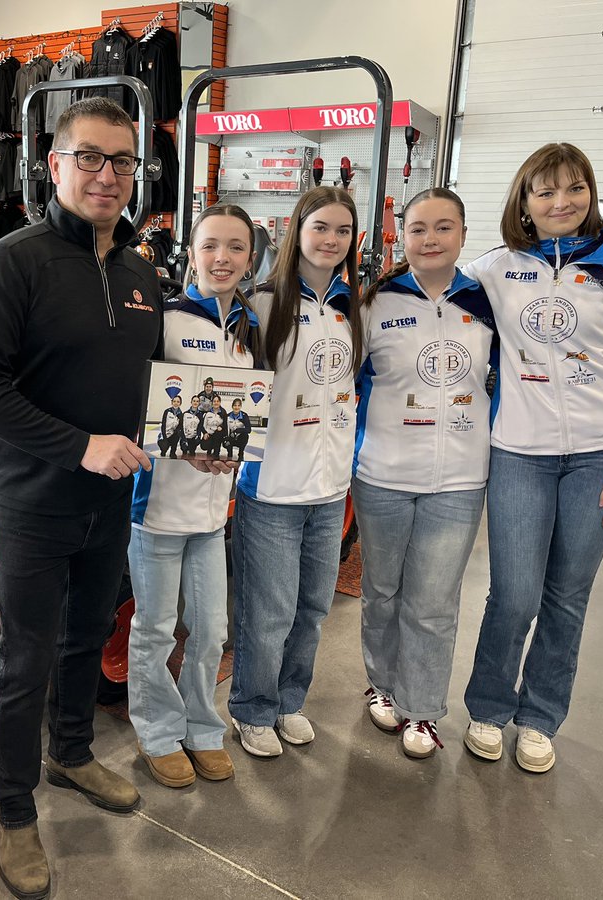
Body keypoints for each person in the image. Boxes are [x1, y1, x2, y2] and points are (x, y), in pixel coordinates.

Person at [0, 97, 162, 900]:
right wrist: (80, 446)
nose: (107, 176)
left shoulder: (141, 272)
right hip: (34, 498)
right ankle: (13, 811)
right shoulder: (15, 260)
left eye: (121, 162)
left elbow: (151, 388)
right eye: (90, 158)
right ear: (55, 164)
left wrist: (195, 442)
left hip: (110, 499)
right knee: (26, 655)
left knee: (86, 638)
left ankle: (71, 754)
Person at [460, 143, 603, 774]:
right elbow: (431, 302)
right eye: (545, 192)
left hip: (600, 459)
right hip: (519, 454)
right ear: (523, 201)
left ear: (591, 193)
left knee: (567, 596)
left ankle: (540, 717)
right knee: (515, 594)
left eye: (574, 189)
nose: (561, 203)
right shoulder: (495, 269)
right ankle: (489, 707)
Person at [351, 188, 496, 760]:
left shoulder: (486, 304)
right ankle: (382, 684)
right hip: (383, 473)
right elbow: (349, 386)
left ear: (463, 234)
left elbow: (509, 382)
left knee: (433, 601)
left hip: (459, 480)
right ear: (401, 235)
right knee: (382, 592)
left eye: (443, 227)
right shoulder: (374, 302)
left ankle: (424, 709)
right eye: (418, 229)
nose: (430, 239)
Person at [129, 203, 260, 788]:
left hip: (213, 510)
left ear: (250, 258)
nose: (222, 258)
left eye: (235, 247)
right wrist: (181, 447)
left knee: (211, 630)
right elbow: (135, 406)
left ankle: (203, 728)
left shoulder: (250, 328)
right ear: (192, 252)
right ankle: (157, 731)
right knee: (155, 629)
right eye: (210, 245)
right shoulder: (164, 318)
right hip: (156, 508)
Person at [228, 186, 362, 758]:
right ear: (296, 232)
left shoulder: (355, 306)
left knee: (312, 606)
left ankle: (288, 700)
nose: (331, 240)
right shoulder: (260, 302)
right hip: (272, 486)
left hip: (330, 489)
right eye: (320, 228)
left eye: (342, 231)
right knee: (268, 610)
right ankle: (252, 708)